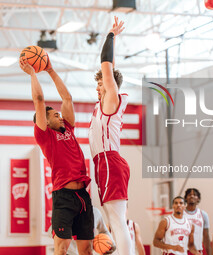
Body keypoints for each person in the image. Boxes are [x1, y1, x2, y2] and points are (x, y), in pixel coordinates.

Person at [20, 57, 94, 255]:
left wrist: (51, 70)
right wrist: (33, 74)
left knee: (86, 250)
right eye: (55, 115)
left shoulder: (68, 127)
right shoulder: (45, 136)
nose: (59, 116)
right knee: (61, 249)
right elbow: (39, 100)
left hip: (83, 196)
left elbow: (67, 98)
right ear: (45, 121)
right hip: (64, 197)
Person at [88, 16, 132, 254]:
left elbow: (107, 66)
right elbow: (109, 70)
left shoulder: (111, 98)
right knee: (113, 218)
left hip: (110, 161)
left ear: (109, 85)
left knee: (117, 220)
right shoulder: (103, 104)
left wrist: (111, 36)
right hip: (104, 163)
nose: (98, 87)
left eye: (101, 84)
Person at [184, 188, 211, 255]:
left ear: (198, 199)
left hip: (198, 250)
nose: (192, 196)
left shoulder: (203, 214)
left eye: (194, 195)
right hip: (183, 250)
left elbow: (206, 237)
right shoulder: (180, 214)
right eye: (189, 194)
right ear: (185, 198)